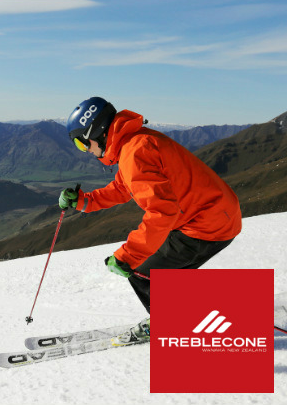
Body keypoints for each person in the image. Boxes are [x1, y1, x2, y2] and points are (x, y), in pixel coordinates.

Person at [58, 97, 242, 345]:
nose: (86, 150)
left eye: (82, 144)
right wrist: (83, 201)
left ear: (97, 132)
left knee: (143, 272)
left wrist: (128, 255)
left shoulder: (134, 152)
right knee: (166, 272)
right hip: (212, 215)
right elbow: (123, 188)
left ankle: (167, 323)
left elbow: (161, 213)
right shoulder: (134, 142)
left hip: (206, 224)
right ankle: (189, 314)